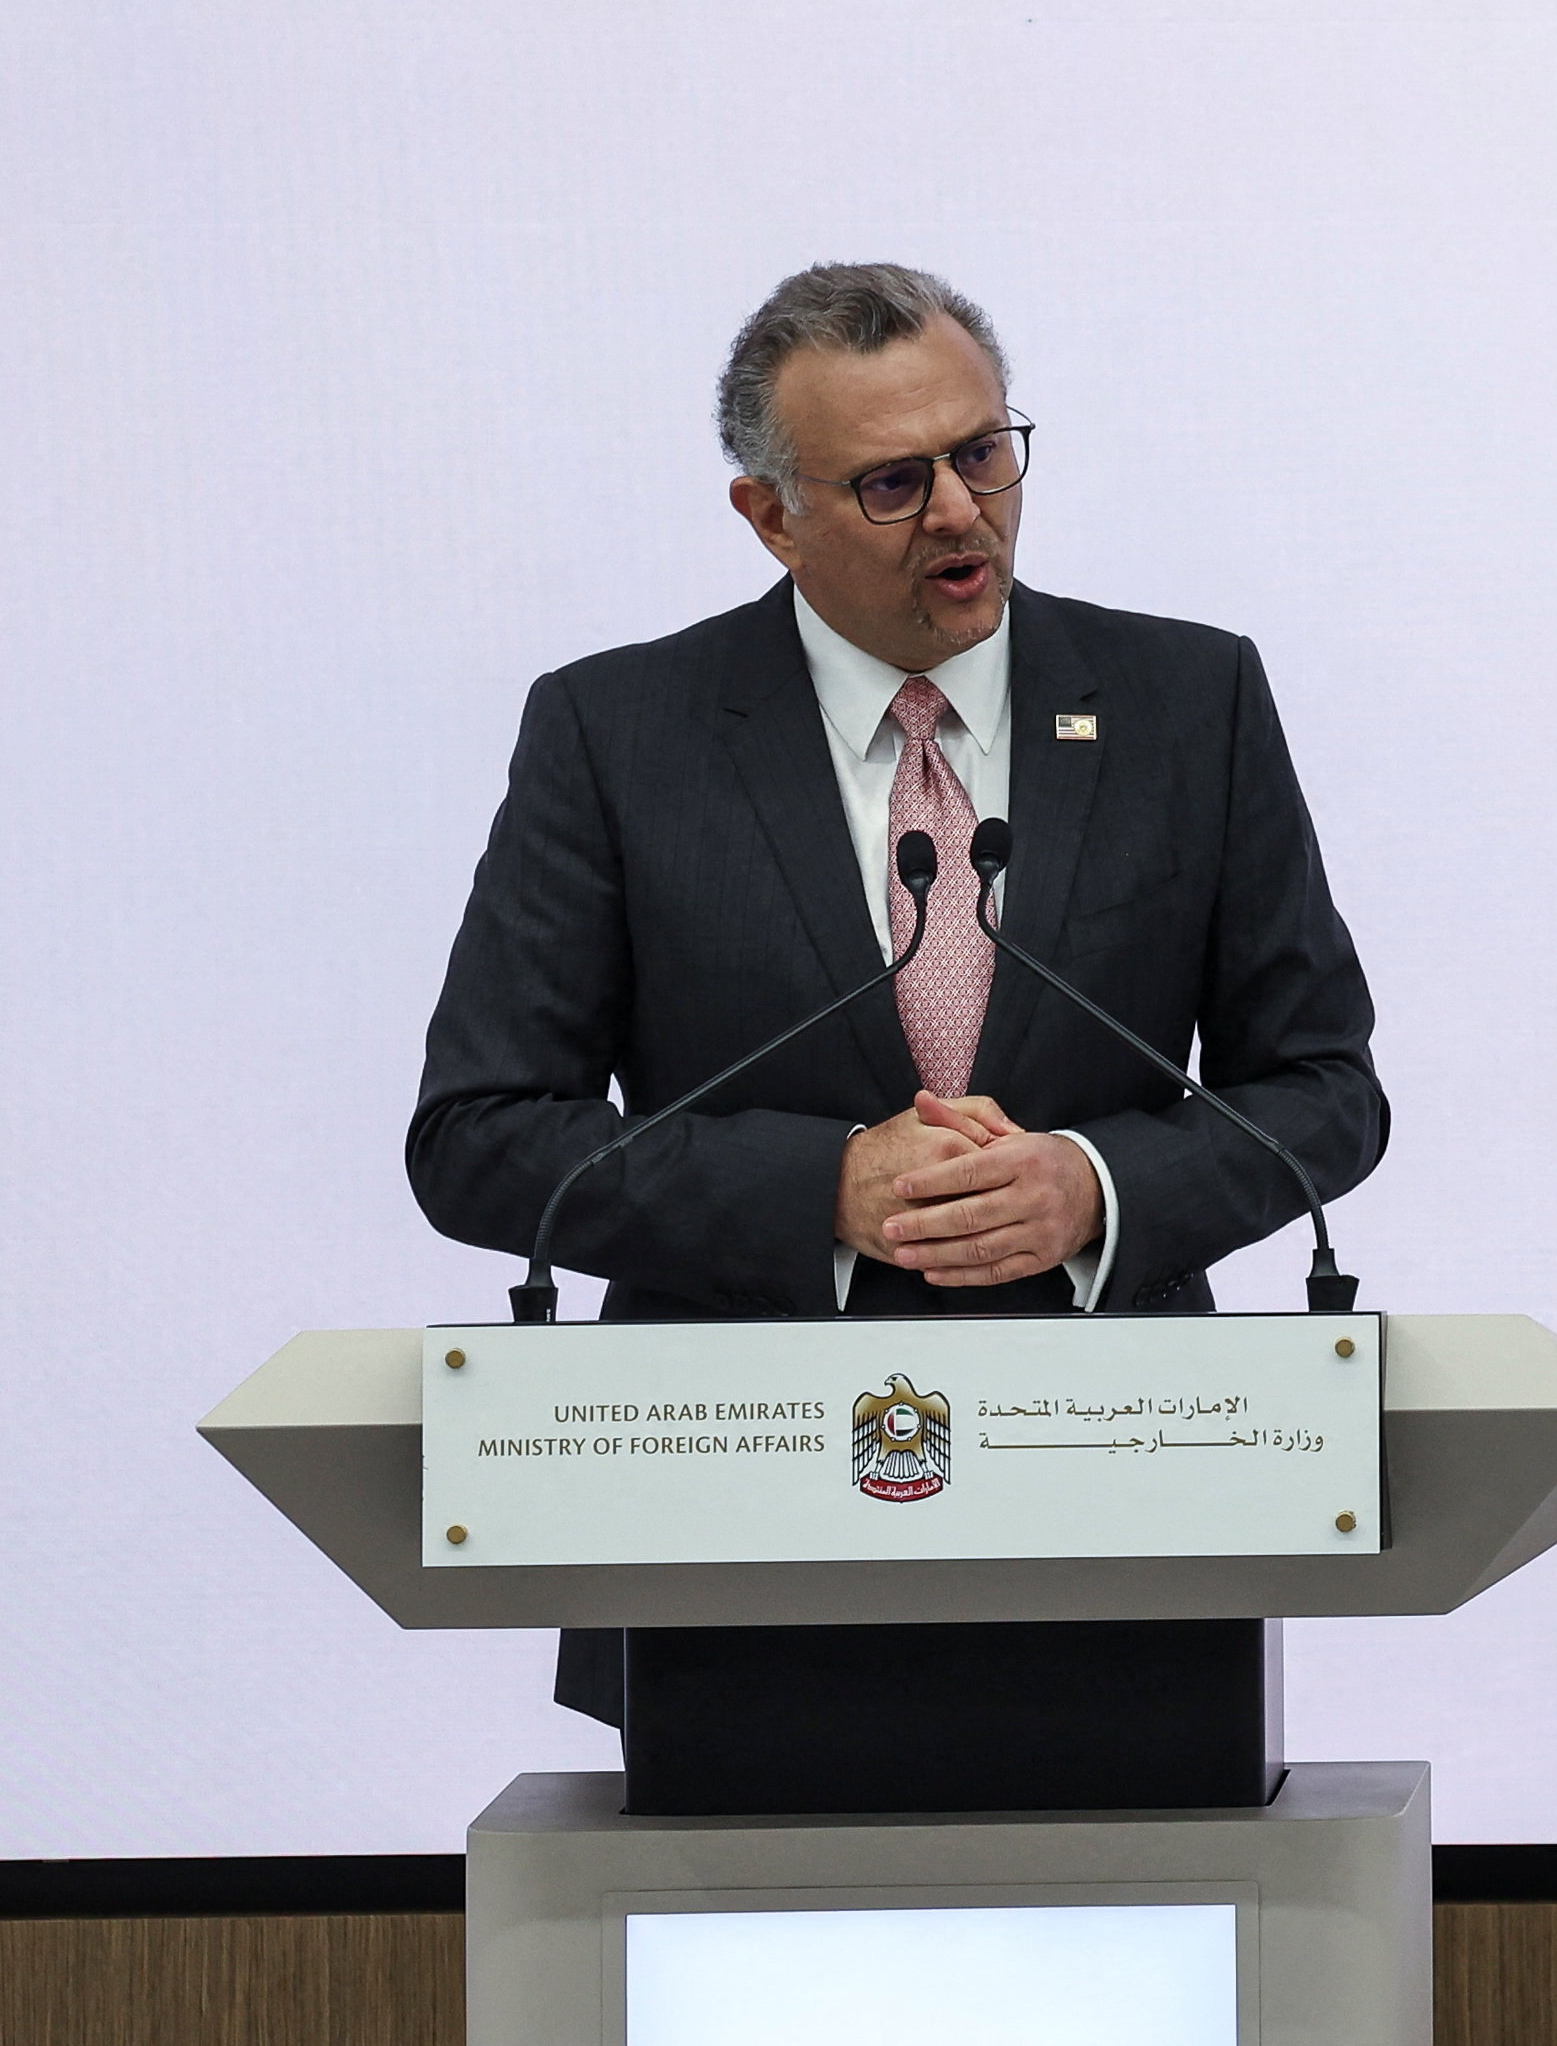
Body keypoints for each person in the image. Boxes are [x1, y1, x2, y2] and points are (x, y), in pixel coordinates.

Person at [409, 264, 1388, 1709]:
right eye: (889, 483)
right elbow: (480, 1135)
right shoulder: (618, 736)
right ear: (769, 516)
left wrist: (1095, 1187)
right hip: (720, 1526)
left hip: (1129, 1503)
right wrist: (826, 1190)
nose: (958, 513)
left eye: (982, 455)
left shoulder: (1191, 703)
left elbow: (1322, 1092)